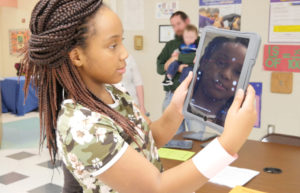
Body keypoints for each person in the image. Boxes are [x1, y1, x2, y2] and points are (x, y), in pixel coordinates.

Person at [21, 1, 257, 193]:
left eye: (121, 41)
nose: (125, 53)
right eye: (112, 45)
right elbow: (154, 187)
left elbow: (147, 140)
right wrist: (228, 144)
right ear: (77, 56)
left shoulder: (115, 92)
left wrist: (176, 107)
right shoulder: (81, 124)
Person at [189, 36, 249, 127]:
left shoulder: (232, 124)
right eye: (221, 63)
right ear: (204, 63)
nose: (226, 75)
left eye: (238, 72)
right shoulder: (178, 105)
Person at [157, 11, 200, 134]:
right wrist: (177, 65)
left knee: (196, 137)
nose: (176, 28)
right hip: (172, 96)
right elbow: (160, 68)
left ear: (187, 21)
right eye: (173, 25)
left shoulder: (200, 41)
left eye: (179, 24)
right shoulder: (171, 45)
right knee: (174, 140)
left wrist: (176, 58)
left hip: (195, 97)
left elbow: (201, 60)